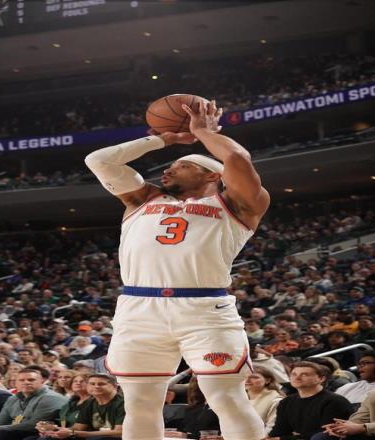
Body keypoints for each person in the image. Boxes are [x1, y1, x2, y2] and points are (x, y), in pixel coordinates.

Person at [85, 98, 269, 440]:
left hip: (204, 309)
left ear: (212, 174)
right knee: (140, 403)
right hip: (139, 309)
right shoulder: (142, 199)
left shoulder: (237, 205)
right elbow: (98, 160)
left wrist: (203, 132)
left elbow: (237, 159)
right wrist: (165, 139)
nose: (167, 170)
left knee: (226, 398)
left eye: (181, 165)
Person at [0, 368, 68, 440]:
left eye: (31, 380)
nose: (26, 382)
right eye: (21, 380)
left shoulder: (50, 398)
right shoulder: (13, 398)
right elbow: (0, 421)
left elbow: (32, 425)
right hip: (14, 430)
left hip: (39, 433)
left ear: (41, 382)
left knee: (2, 434)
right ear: (15, 383)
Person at [268, 361, 354, 440]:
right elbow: (279, 431)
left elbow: (326, 434)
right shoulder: (286, 402)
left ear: (321, 379)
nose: (297, 378)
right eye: (294, 374)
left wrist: (285, 438)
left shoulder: (335, 401)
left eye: (304, 375)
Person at [41, 374, 124, 440]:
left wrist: (74, 433)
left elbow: (119, 433)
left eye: (101, 384)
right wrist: (55, 429)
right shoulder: (89, 402)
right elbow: (78, 427)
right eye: (92, 384)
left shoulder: (123, 403)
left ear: (115, 386)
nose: (96, 386)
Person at [245, 366, 284, 433]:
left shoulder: (276, 400)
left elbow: (271, 429)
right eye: (244, 377)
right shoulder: (239, 398)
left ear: (267, 380)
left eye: (254, 377)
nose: (247, 380)